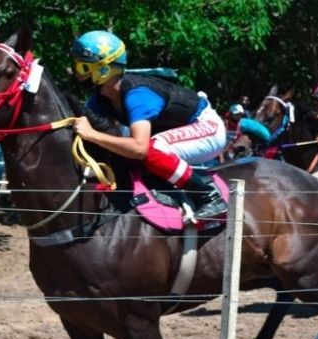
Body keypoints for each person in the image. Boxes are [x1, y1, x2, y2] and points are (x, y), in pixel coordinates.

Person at [70, 30, 227, 219]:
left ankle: (208, 197)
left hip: (207, 127)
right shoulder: (99, 101)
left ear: (104, 70)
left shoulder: (138, 95)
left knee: (151, 149)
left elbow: (139, 148)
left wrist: (92, 135)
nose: (77, 74)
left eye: (83, 67)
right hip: (174, 131)